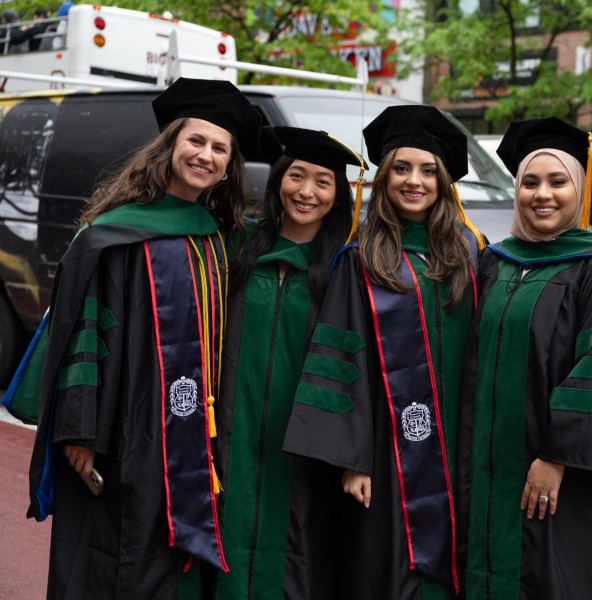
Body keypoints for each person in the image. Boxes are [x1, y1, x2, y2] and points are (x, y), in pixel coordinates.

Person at [7, 77, 261, 599]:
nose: (205, 155)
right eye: (196, 141)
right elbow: (83, 331)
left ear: (229, 165)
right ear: (170, 144)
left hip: (189, 431)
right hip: (121, 430)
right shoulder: (115, 233)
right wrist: (82, 433)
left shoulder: (215, 236)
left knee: (166, 562)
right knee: (114, 558)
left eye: (219, 148)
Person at [282, 104, 485, 599]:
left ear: (443, 182)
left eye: (427, 171)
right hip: (387, 449)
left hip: (462, 442)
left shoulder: (470, 252)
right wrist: (355, 460)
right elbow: (340, 358)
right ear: (383, 176)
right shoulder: (362, 257)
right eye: (401, 168)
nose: (414, 181)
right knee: (391, 566)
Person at [456, 117, 592, 599]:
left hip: (557, 473)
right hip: (487, 466)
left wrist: (556, 456)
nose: (543, 194)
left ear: (579, 190)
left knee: (551, 575)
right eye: (530, 182)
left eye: (558, 181)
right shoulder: (494, 261)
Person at [212, 126, 366, 599]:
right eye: (296, 176)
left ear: (339, 194)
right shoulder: (236, 250)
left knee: (300, 558)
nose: (306, 191)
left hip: (305, 452)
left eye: (323, 181)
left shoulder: (350, 266)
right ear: (278, 180)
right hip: (230, 443)